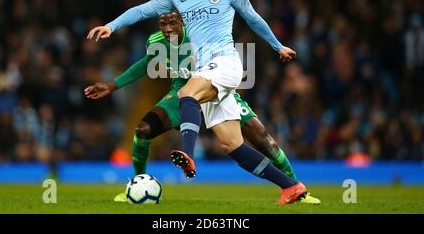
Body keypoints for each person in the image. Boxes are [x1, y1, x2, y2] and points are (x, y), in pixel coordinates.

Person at [87, 0, 310, 204]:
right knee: (232, 145)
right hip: (206, 70)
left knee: (186, 94)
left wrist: (278, 46)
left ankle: (188, 153)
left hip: (225, 62)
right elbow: (142, 10)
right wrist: (111, 26)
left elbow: (253, 19)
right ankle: (291, 186)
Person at [85, 12, 320, 204]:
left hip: (214, 90)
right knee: (143, 130)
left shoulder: (201, 37)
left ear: (184, 22)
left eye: (172, 23)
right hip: (182, 90)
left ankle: (299, 191)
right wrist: (112, 85)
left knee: (265, 141)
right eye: (162, 24)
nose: (167, 28)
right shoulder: (155, 41)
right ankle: (137, 183)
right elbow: (148, 63)